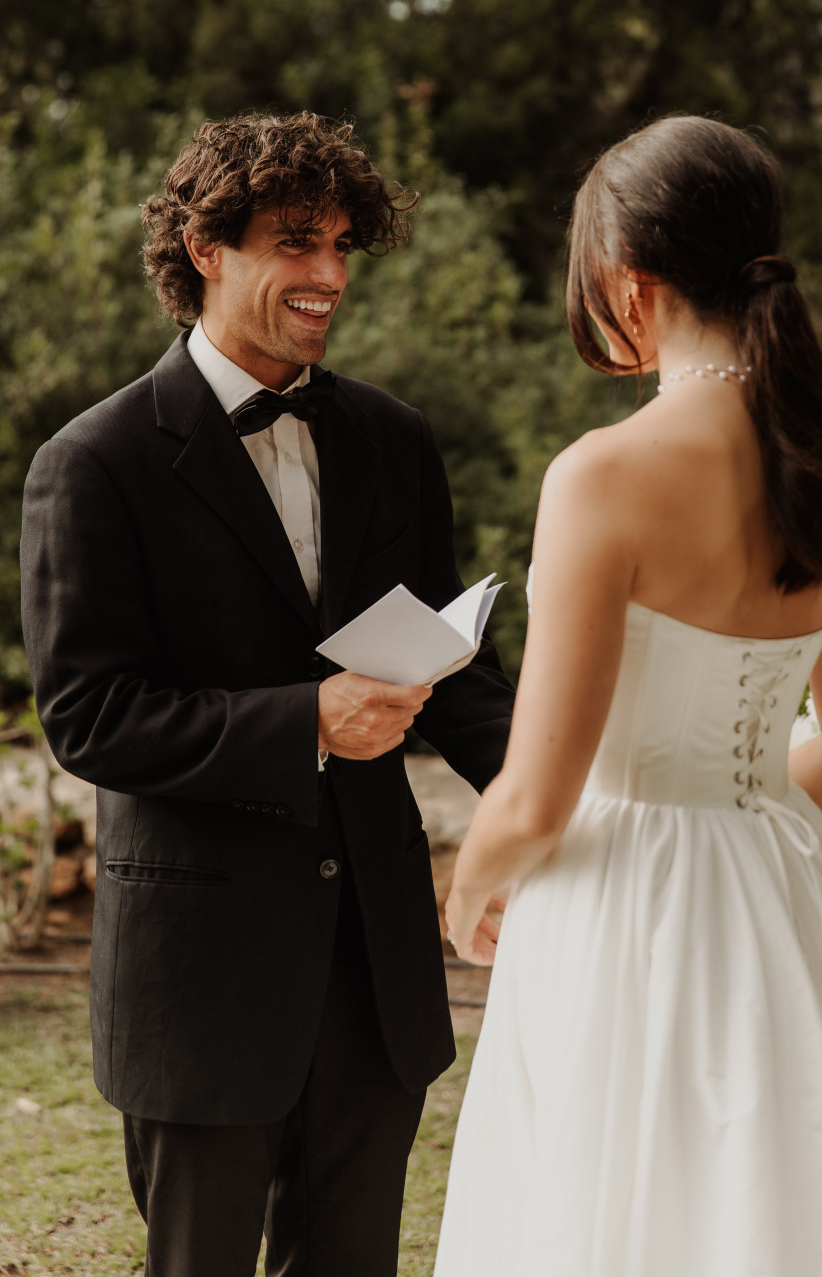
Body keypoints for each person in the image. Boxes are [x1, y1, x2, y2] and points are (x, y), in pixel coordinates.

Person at [438, 115, 822, 1276]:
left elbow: (536, 793)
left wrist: (468, 887)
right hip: (782, 897)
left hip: (617, 908)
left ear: (630, 281)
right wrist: (729, 813)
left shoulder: (603, 476)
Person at [19, 111, 513, 1277]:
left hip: (376, 964)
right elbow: (90, 717)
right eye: (298, 242)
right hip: (201, 975)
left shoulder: (395, 440)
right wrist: (310, 722)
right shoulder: (91, 465)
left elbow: (458, 672)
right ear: (205, 246)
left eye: (343, 245)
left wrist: (567, 790)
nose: (330, 275)